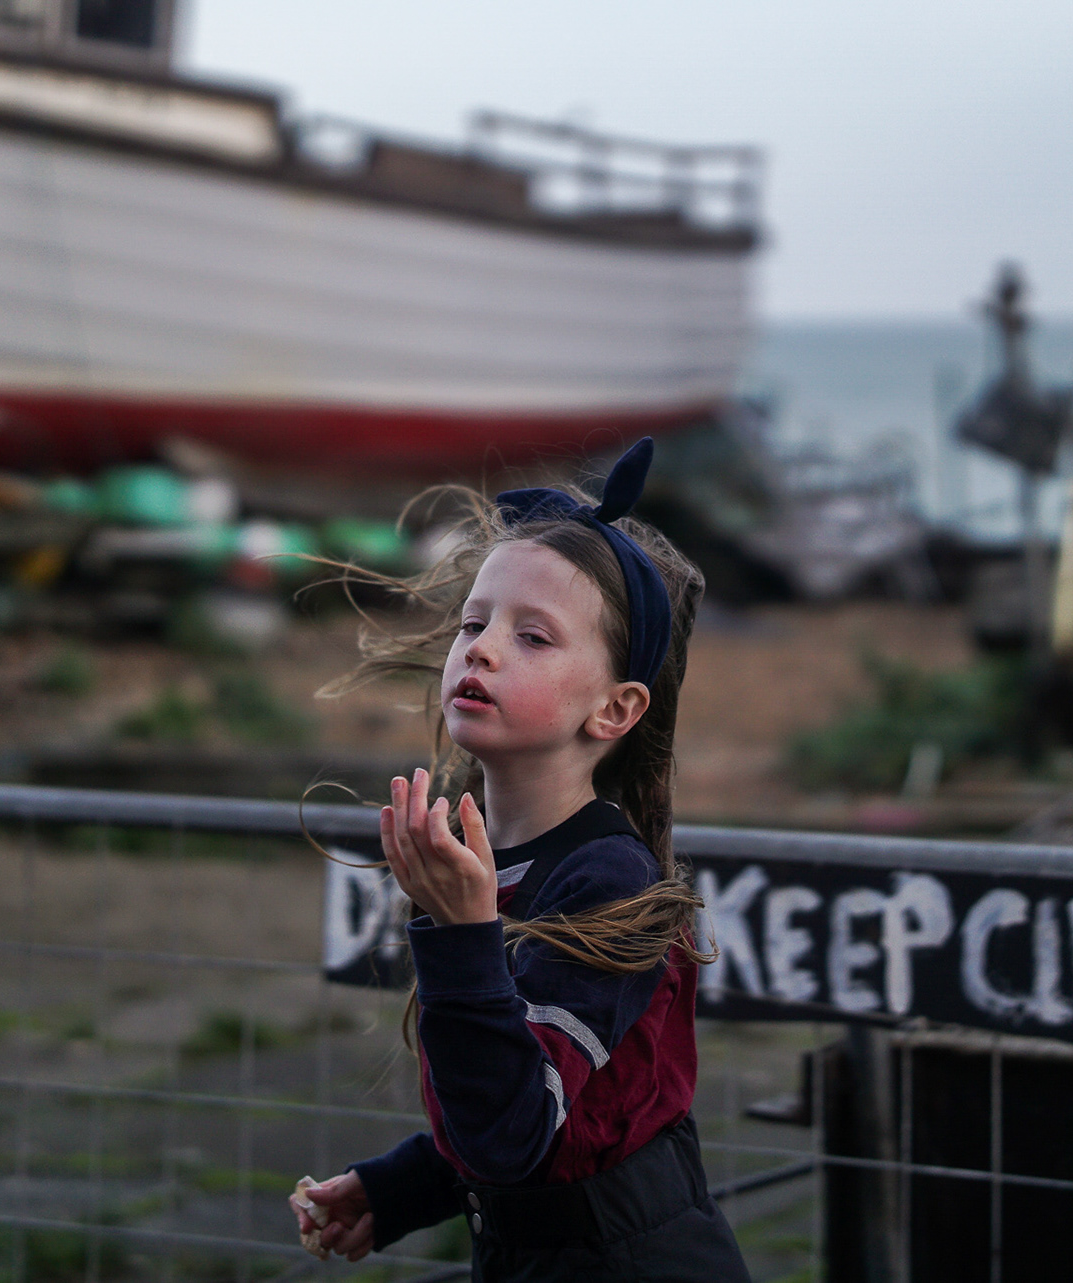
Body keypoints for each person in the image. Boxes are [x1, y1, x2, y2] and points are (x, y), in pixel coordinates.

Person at [290, 439, 751, 1282]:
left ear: (615, 708)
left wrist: (464, 936)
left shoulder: (608, 880)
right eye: (475, 622)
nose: (482, 647)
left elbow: (516, 1132)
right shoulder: (487, 861)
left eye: (532, 636)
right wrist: (399, 1189)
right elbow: (525, 1110)